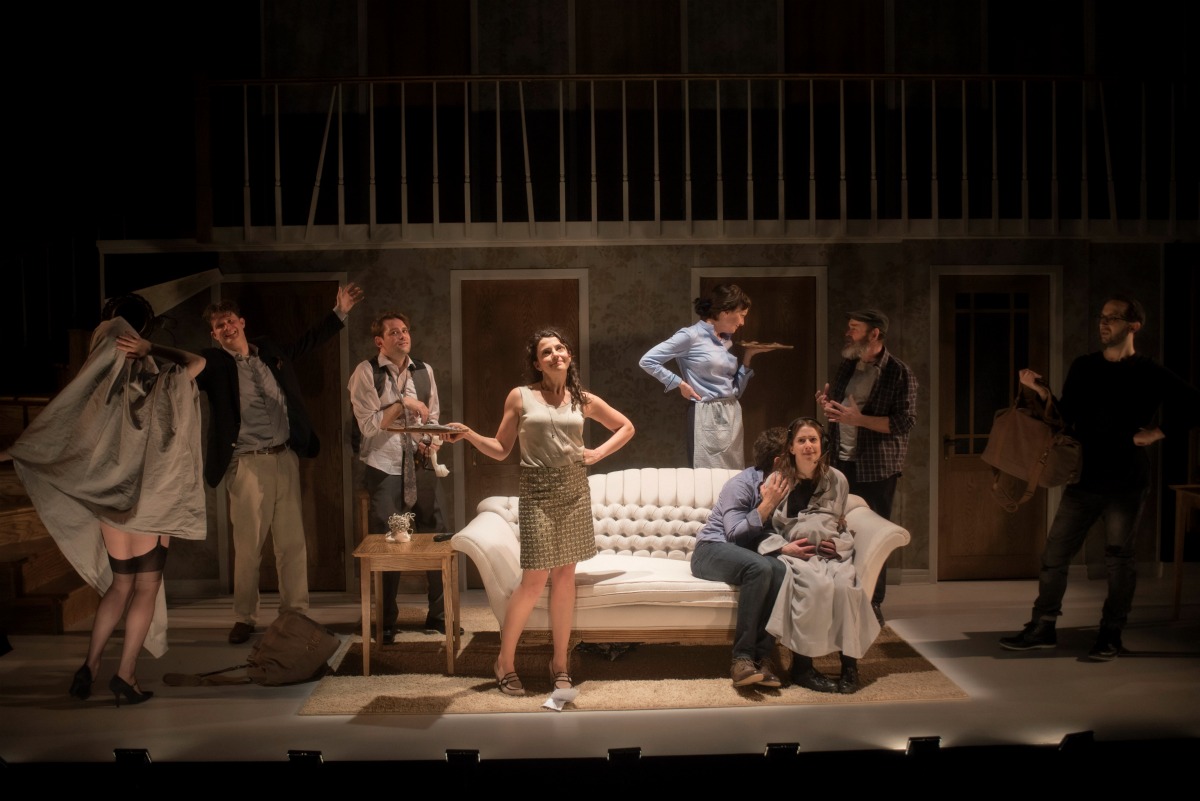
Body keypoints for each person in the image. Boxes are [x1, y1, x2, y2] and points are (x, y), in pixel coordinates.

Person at [5, 302, 206, 706]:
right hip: (148, 504)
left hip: (110, 503)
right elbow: (197, 362)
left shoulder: (98, 397)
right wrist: (152, 348)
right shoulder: (158, 382)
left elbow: (63, 436)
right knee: (146, 586)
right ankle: (125, 675)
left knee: (119, 584)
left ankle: (89, 666)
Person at [1000, 294, 1200, 660]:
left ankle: (1110, 635)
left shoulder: (1149, 371)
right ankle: (1043, 627)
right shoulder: (1085, 366)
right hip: (1085, 477)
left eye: (1113, 317)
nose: (1103, 323)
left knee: (1118, 559)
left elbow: (1196, 404)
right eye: (1102, 317)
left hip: (1127, 481)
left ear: (1134, 326)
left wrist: (1156, 433)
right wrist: (1043, 392)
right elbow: (1067, 417)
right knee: (1054, 555)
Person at [445, 328, 634, 695]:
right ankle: (505, 661)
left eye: (560, 348)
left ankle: (559, 664)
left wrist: (598, 454)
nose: (555, 354)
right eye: (546, 352)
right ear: (537, 363)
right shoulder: (520, 396)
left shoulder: (583, 399)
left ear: (569, 356)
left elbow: (626, 427)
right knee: (533, 580)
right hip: (536, 491)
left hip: (574, 491)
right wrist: (468, 434)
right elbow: (501, 448)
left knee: (565, 578)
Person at [198, 283, 363, 645]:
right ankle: (244, 616)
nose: (226, 328)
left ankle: (295, 612)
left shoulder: (269, 350)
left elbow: (305, 343)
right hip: (247, 463)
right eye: (219, 327)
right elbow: (183, 366)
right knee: (248, 547)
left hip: (284, 457)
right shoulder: (214, 365)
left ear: (241, 322)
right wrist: (147, 351)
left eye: (230, 321)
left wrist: (339, 312)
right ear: (214, 335)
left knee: (291, 543)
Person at [349, 312, 452, 641]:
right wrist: (402, 402)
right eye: (393, 332)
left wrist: (429, 441)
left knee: (436, 537)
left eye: (405, 330)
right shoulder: (366, 372)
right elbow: (369, 426)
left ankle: (439, 616)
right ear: (379, 341)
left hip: (421, 464)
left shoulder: (424, 370)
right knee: (387, 542)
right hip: (385, 465)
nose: (402, 335)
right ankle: (386, 622)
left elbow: (433, 416)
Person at [759, 418, 879, 694]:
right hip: (796, 553)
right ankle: (802, 667)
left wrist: (837, 547)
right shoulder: (777, 480)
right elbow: (764, 525)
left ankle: (849, 666)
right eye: (801, 440)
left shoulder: (837, 479)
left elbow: (840, 523)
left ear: (821, 444)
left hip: (831, 553)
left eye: (813, 440)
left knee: (846, 587)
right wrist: (782, 548)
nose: (808, 446)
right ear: (791, 447)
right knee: (814, 587)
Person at [816, 309, 917, 625]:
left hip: (876, 468)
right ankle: (841, 596)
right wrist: (829, 406)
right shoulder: (848, 365)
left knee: (874, 534)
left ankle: (873, 601)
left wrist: (858, 420)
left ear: (874, 334)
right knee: (838, 529)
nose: (848, 333)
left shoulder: (899, 373)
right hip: (842, 461)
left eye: (854, 328)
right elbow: (843, 411)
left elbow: (904, 422)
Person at [689, 428, 790, 688]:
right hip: (710, 551)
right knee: (759, 567)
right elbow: (734, 534)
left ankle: (764, 657)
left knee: (779, 569)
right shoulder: (742, 484)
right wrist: (767, 504)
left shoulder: (787, 487)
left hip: (744, 554)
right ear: (778, 462)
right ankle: (741, 659)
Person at [639, 284, 769, 469]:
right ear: (725, 311)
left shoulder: (725, 341)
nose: (742, 322)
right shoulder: (691, 336)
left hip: (732, 411)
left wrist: (748, 356)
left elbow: (735, 392)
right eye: (742, 315)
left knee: (732, 474)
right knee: (708, 475)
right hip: (707, 413)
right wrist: (679, 384)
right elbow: (648, 360)